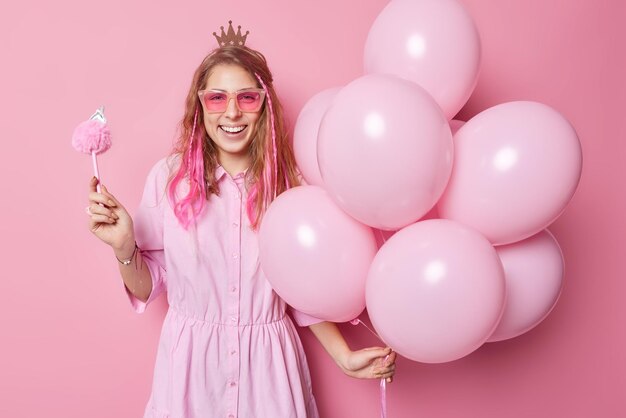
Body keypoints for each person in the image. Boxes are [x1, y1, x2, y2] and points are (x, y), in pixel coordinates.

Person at [85, 26, 396, 418]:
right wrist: (124, 248)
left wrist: (343, 356)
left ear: (263, 103)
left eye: (246, 97)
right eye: (217, 98)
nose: (231, 112)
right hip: (190, 375)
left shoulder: (290, 184)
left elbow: (306, 287)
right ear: (200, 106)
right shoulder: (168, 180)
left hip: (269, 373)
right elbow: (148, 284)